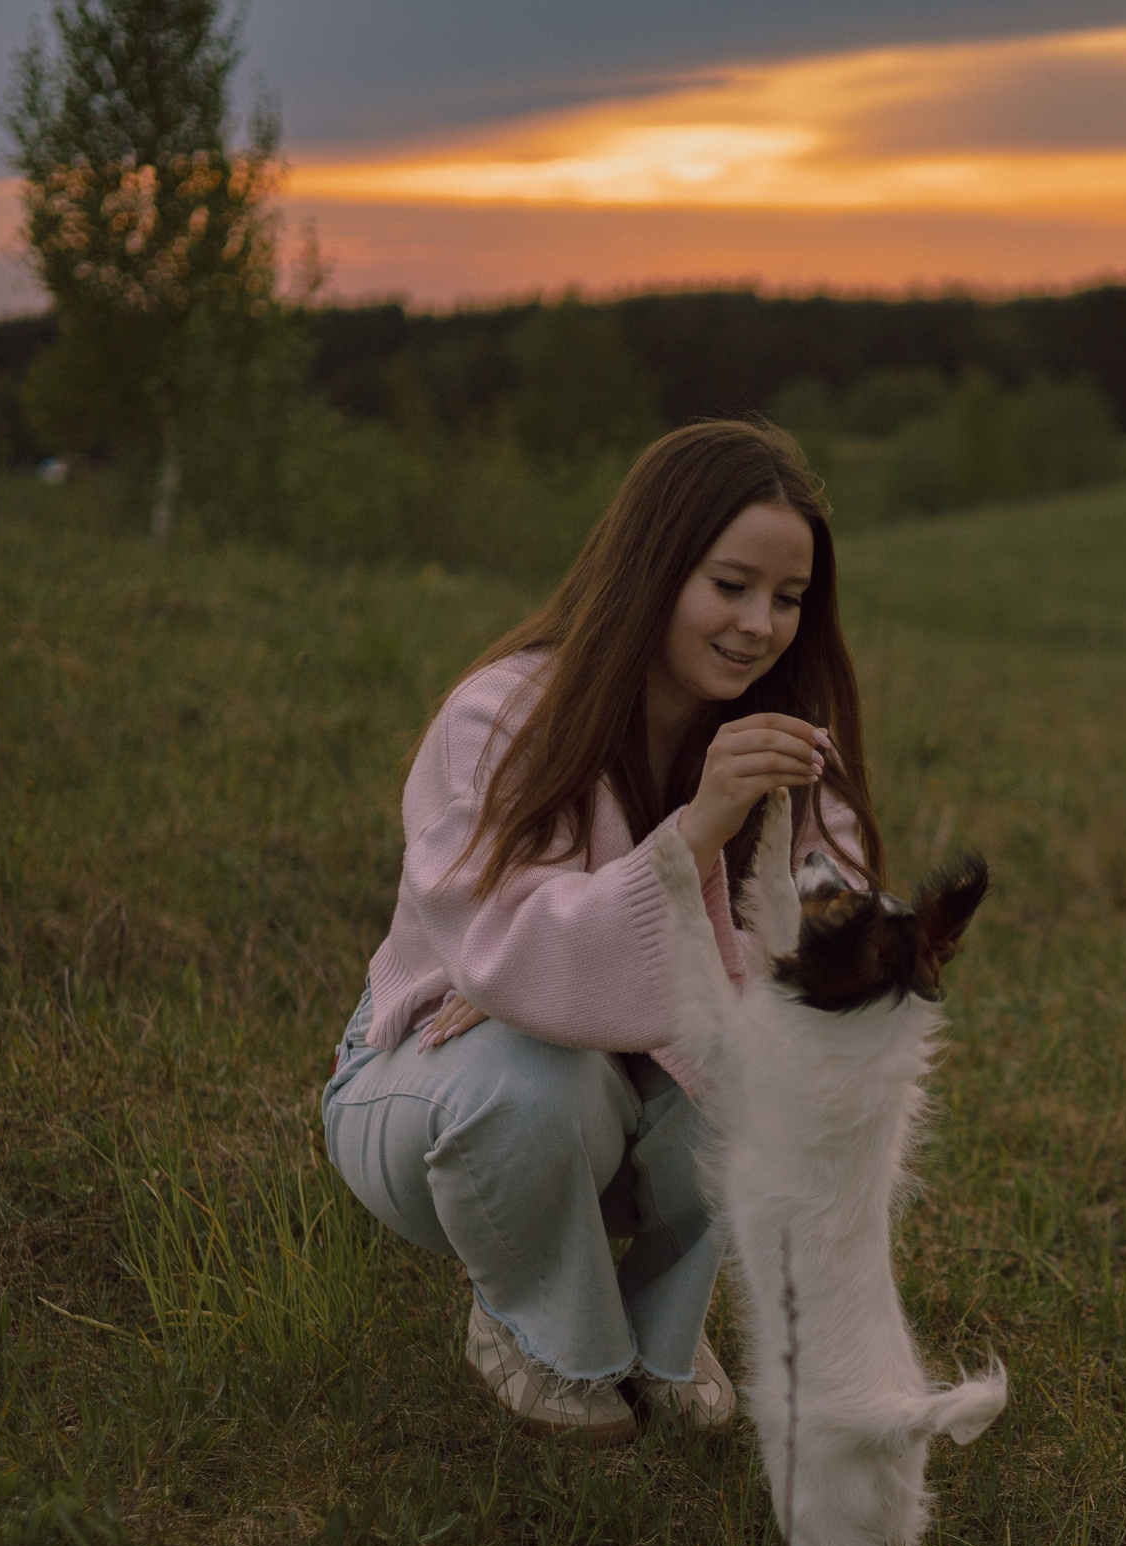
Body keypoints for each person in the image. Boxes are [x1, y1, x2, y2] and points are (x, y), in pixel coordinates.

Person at [321, 420, 885, 1443]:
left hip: (635, 1100)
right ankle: (543, 1332)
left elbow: (831, 987)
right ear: (655, 565)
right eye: (730, 585)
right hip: (429, 1087)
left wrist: (569, 991)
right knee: (529, 1072)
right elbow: (508, 952)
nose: (759, 624)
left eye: (789, 597)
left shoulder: (790, 751)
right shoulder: (500, 718)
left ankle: (662, 1332)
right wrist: (696, 835)